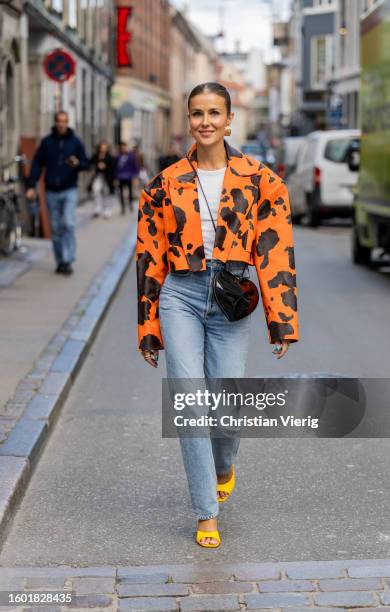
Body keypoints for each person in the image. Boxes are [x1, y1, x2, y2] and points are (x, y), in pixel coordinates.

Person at [136, 82, 300, 548]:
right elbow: (148, 255)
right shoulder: (165, 183)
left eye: (213, 113)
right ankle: (206, 511)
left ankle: (224, 464)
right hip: (180, 295)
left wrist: (281, 319)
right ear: (188, 121)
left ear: (229, 120)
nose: (204, 121)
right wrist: (148, 326)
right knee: (189, 403)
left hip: (229, 298)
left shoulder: (261, 180)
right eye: (196, 113)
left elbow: (275, 251)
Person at [26, 111, 89, 276]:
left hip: (69, 189)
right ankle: (60, 260)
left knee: (68, 223)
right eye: (59, 121)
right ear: (55, 122)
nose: (62, 124)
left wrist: (77, 163)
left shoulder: (75, 142)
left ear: (68, 122)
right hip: (51, 190)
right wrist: (31, 186)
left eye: (65, 121)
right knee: (55, 228)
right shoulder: (47, 142)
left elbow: (85, 163)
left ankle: (68, 259)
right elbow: (37, 164)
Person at [88, 141, 116, 219]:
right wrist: (95, 167)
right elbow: (90, 163)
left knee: (107, 192)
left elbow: (113, 167)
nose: (103, 149)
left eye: (104, 148)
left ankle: (107, 209)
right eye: (101, 147)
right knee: (95, 190)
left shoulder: (110, 157)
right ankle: (97, 208)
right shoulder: (96, 156)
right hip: (98, 176)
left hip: (108, 177)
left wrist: (105, 166)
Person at [116, 142, 139, 214]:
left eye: (125, 147)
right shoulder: (118, 156)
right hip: (120, 177)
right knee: (121, 193)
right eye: (122, 147)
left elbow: (134, 166)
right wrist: (115, 176)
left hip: (129, 176)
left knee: (130, 192)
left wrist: (135, 175)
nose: (124, 148)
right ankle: (123, 207)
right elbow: (115, 167)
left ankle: (130, 204)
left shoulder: (131, 156)